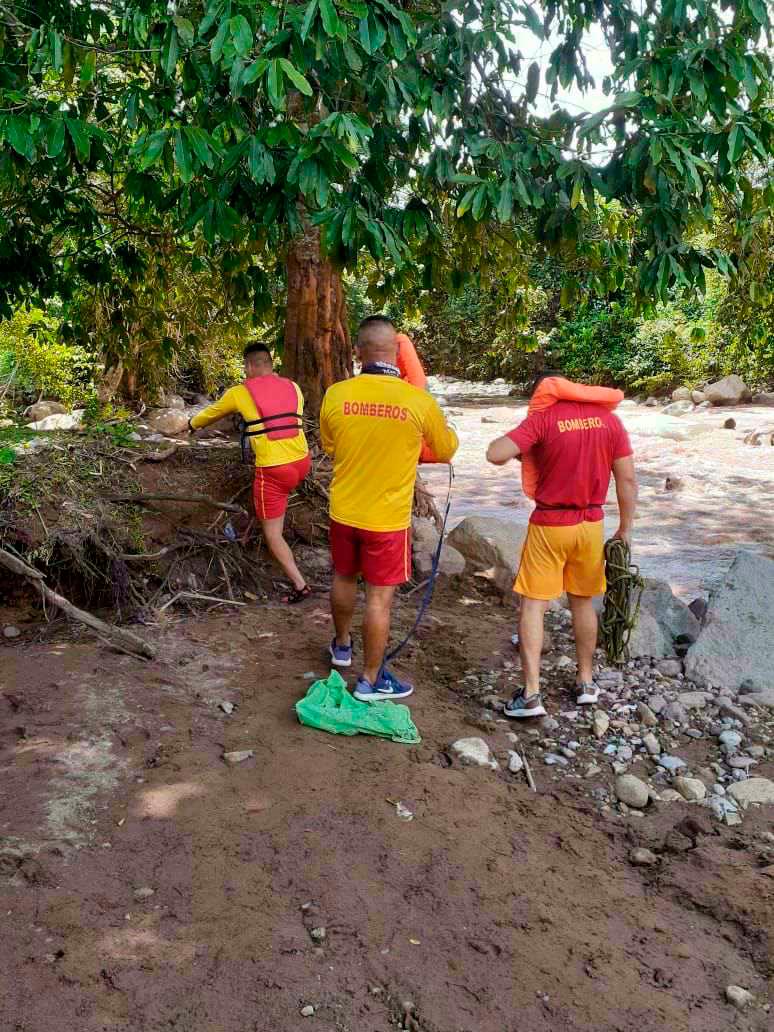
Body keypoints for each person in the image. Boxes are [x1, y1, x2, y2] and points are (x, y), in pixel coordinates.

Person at [320, 315, 459, 701]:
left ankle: (342, 646)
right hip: (387, 521)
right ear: (397, 354)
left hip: (344, 511)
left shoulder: (336, 395)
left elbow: (331, 445)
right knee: (379, 599)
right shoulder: (417, 401)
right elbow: (445, 449)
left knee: (343, 577)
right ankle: (370, 680)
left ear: (358, 352)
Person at [486, 372, 638, 718]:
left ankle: (531, 695)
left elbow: (495, 453)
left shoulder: (544, 419)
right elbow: (627, 478)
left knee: (533, 605)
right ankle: (586, 682)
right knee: (583, 602)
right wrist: (625, 528)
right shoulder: (610, 421)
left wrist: (525, 450)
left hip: (550, 526)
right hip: (591, 526)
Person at [188, 343, 312, 603]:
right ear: (270, 363)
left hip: (273, 469)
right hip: (302, 462)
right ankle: (262, 517)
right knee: (273, 502)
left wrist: (190, 424)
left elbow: (210, 414)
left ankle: (300, 585)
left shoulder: (240, 392)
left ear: (248, 366)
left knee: (273, 534)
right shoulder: (293, 387)